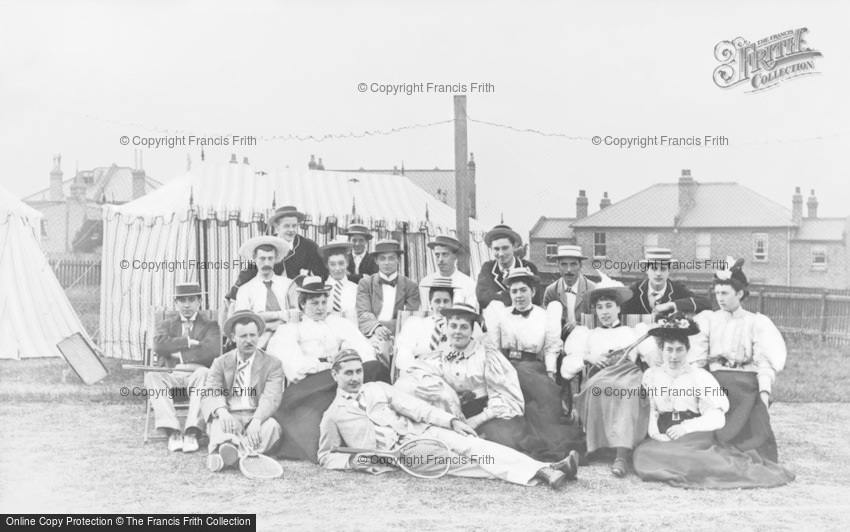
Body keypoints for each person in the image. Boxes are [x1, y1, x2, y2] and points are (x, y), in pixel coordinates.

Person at [318, 350, 578, 489]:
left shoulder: (378, 387)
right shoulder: (332, 414)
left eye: (358, 371)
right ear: (335, 375)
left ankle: (544, 468)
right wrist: (355, 459)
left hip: (424, 431)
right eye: (348, 373)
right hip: (403, 456)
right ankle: (544, 470)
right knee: (469, 465)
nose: (354, 378)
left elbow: (418, 408)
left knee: (475, 446)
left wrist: (451, 422)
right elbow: (326, 455)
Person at [632, 315, 794, 489]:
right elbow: (652, 410)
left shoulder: (699, 376)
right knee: (643, 454)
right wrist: (656, 434)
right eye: (669, 350)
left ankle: (690, 464)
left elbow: (717, 416)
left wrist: (686, 427)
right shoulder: (651, 376)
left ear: (687, 350)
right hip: (664, 434)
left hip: (694, 434)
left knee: (692, 458)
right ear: (661, 350)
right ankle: (679, 461)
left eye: (679, 350)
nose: (673, 356)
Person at [267, 276, 390, 462]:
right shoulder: (292, 330)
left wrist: (340, 364)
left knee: (374, 368)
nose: (320, 307)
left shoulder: (338, 325)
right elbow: (297, 368)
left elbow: (364, 353)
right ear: (302, 305)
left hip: (339, 380)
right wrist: (332, 363)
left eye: (324, 302)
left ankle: (380, 430)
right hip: (308, 388)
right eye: (314, 303)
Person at [689, 258, 787, 462]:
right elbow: (696, 358)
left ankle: (748, 447)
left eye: (725, 293)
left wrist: (764, 393)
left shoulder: (756, 322)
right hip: (717, 378)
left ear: (740, 294)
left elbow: (764, 362)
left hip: (746, 378)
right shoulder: (709, 319)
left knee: (750, 394)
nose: (720, 298)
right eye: (717, 293)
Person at [484, 267, 585, 460]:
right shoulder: (501, 314)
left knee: (540, 398)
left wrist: (549, 374)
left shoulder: (544, 316)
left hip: (532, 367)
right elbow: (495, 348)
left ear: (533, 291)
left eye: (523, 290)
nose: (519, 295)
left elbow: (550, 349)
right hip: (505, 367)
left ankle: (542, 444)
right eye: (514, 291)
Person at [563, 272, 657, 477]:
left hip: (628, 375)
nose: (604, 312)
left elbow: (653, 359)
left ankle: (621, 454)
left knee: (628, 392)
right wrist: (589, 358)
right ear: (595, 310)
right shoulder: (589, 334)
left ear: (618, 308)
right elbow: (567, 367)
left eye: (609, 306)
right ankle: (594, 447)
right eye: (599, 307)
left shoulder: (631, 332)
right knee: (597, 389)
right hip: (600, 376)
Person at [202, 310, 284, 472]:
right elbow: (212, 390)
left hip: (256, 415)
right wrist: (222, 411)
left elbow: (271, 397)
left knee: (272, 427)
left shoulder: (273, 364)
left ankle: (229, 453)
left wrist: (257, 421)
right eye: (243, 336)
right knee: (218, 423)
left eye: (253, 335)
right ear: (233, 338)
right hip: (230, 416)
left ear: (259, 335)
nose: (249, 341)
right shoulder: (220, 362)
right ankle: (244, 453)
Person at [148, 282, 222, 452]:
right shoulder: (166, 324)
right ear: (176, 303)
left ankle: (192, 432)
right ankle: (173, 431)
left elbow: (210, 350)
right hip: (172, 376)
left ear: (199, 302)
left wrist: (178, 354)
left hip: (197, 376)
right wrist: (188, 342)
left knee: (205, 373)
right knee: (152, 375)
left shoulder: (210, 325)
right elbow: (159, 346)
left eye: (191, 299)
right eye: (182, 300)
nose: (187, 305)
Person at [225, 205, 327, 301]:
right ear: (277, 227)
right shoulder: (266, 244)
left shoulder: (309, 246)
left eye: (294, 226)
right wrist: (231, 295)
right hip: (269, 296)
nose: (291, 230)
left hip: (298, 297)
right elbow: (248, 272)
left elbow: (321, 274)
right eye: (287, 226)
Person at [355, 239, 420, 340]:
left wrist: (384, 327)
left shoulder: (411, 286)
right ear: (376, 261)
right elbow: (363, 313)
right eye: (382, 258)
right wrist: (376, 328)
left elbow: (409, 317)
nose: (387, 262)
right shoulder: (365, 284)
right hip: (371, 334)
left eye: (391, 258)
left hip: (401, 335)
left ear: (398, 260)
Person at [234, 236, 292, 348]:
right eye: (262, 258)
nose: (266, 263)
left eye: (270, 258)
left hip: (289, 338)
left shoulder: (288, 284)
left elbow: (296, 314)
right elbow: (242, 321)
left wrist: (262, 316)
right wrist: (272, 325)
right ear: (254, 258)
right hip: (259, 341)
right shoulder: (245, 290)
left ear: (275, 259)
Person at [621, 248, 710, 317]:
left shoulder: (677, 289)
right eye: (654, 269)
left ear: (669, 271)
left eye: (663, 269)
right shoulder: (634, 291)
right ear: (647, 270)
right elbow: (621, 316)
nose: (658, 273)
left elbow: (706, 303)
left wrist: (672, 305)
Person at [394, 276, 456, 372]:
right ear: (430, 303)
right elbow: (402, 358)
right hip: (418, 374)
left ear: (452, 303)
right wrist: (423, 369)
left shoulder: (458, 328)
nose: (442, 305)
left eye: (446, 301)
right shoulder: (415, 324)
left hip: (446, 375)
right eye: (437, 301)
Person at [476, 224, 542, 309]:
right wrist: (515, 295)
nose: (501, 254)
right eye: (496, 249)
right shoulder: (488, 268)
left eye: (505, 248)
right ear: (491, 248)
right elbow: (482, 299)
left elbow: (536, 299)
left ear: (514, 246)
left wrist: (499, 295)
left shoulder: (528, 267)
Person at [542, 245, 596, 340]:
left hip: (587, 339)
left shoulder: (593, 289)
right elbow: (547, 325)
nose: (569, 270)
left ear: (580, 265)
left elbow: (597, 323)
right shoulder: (551, 291)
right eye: (564, 264)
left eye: (573, 264)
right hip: (559, 341)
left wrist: (578, 327)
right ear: (558, 266)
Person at [418, 235, 478, 310]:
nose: (440, 259)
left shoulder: (468, 284)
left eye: (445, 254)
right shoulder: (426, 283)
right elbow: (425, 311)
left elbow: (469, 313)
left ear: (455, 256)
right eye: (437, 255)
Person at [319, 237, 359, 321]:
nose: (337, 268)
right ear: (327, 265)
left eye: (341, 263)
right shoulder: (320, 289)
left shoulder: (356, 289)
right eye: (333, 264)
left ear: (347, 263)